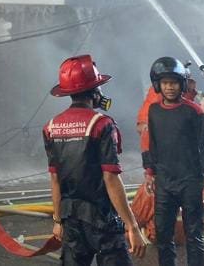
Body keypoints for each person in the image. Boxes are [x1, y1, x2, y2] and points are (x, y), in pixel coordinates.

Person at [42, 55, 145, 266]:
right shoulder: (102, 124)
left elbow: (55, 179)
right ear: (95, 92)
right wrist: (132, 226)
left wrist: (57, 220)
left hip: (70, 219)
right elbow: (111, 178)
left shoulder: (51, 127)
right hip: (102, 219)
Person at [144, 56, 204, 266]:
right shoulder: (154, 110)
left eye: (174, 83)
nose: (170, 87)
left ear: (182, 84)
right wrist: (149, 172)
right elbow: (152, 143)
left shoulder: (194, 112)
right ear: (158, 85)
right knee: (163, 236)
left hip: (191, 181)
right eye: (165, 83)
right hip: (165, 182)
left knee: (194, 235)